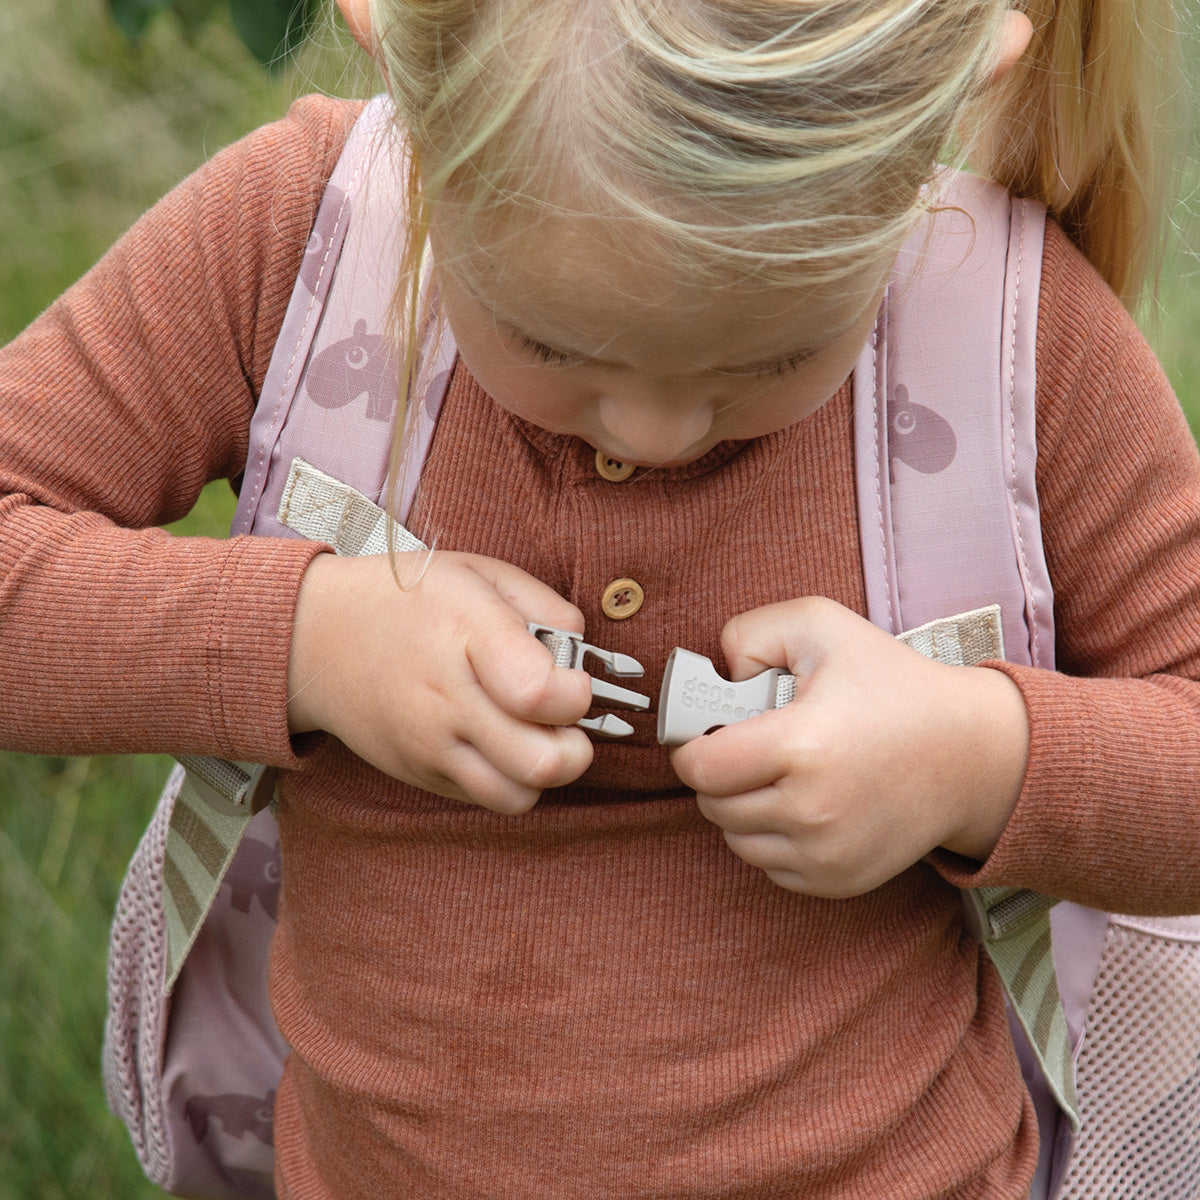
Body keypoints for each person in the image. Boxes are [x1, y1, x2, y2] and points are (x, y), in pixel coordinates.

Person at [1, 0, 1197, 1195]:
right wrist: (313, 642)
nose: (660, 431)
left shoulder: (998, 331)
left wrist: (976, 759)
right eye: (553, 343)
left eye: (770, 357)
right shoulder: (306, 246)